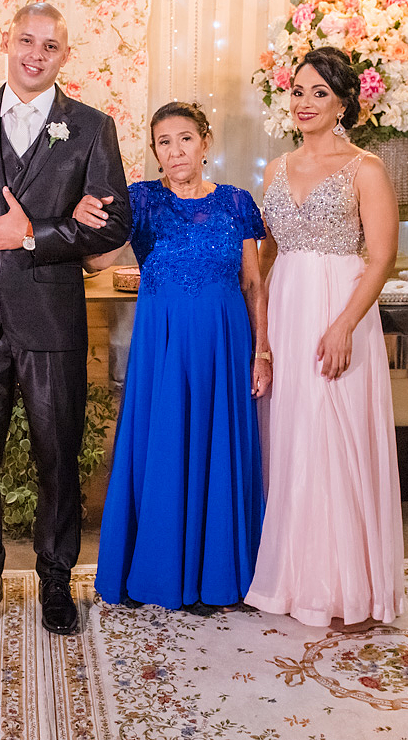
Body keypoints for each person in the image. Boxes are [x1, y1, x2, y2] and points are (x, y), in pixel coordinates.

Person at [0, 2, 131, 636]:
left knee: (58, 457)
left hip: (53, 322)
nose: (36, 54)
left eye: (50, 46)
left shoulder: (93, 129)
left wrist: (32, 235)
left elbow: (116, 222)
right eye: (26, 40)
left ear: (65, 57)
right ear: (5, 42)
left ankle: (54, 583)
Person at [243, 46, 406, 627]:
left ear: (342, 104)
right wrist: (259, 330)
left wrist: (344, 324)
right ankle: (294, 577)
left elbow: (382, 257)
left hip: (342, 307)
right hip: (287, 304)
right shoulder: (277, 168)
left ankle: (347, 587)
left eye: (319, 93)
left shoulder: (367, 168)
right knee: (290, 438)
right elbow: (266, 250)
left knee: (336, 438)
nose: (305, 103)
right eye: (298, 91)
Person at [87, 102, 271, 612]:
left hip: (222, 341)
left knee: (219, 445)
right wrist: (82, 222)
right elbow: (96, 258)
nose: (176, 151)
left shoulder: (237, 202)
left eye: (185, 138)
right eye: (164, 142)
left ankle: (220, 573)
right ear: (154, 152)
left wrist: (263, 350)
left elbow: (253, 282)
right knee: (163, 442)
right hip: (161, 345)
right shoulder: (140, 200)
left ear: (205, 142)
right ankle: (160, 569)